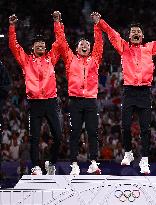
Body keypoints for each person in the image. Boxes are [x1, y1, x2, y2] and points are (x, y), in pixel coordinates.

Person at [91, 12, 156, 174]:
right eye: (133, 32)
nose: (136, 33)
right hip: (129, 91)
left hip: (144, 92)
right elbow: (111, 33)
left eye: (138, 32)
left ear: (142, 35)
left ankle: (144, 161)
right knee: (124, 126)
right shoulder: (123, 47)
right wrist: (100, 22)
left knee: (145, 128)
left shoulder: (149, 48)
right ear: (129, 36)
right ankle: (129, 153)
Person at [8, 13, 63, 175]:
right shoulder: (26, 60)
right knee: (34, 138)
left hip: (51, 102)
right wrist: (12, 27)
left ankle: (51, 163)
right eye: (37, 44)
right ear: (32, 47)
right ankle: (36, 166)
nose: (40, 45)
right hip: (35, 103)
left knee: (59, 136)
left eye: (42, 44)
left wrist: (57, 22)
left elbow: (59, 43)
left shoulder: (51, 58)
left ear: (45, 48)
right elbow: (13, 45)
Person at [54, 11, 103, 174]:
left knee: (92, 132)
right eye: (81, 44)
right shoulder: (70, 59)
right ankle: (74, 163)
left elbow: (99, 43)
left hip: (90, 100)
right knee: (75, 133)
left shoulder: (95, 59)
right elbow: (61, 42)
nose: (84, 45)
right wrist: (57, 23)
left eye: (87, 44)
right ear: (76, 48)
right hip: (75, 101)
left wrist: (97, 24)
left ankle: (94, 162)